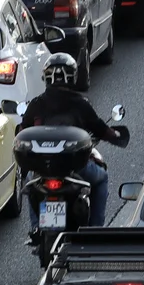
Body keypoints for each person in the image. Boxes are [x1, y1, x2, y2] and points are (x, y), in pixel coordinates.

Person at [16, 53, 128, 239]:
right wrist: (116, 135)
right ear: (73, 76)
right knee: (101, 179)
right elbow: (100, 128)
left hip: (43, 169)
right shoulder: (80, 104)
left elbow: (22, 131)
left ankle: (36, 228)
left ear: (46, 77)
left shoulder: (36, 104)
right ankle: (95, 231)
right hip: (77, 168)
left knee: (30, 183)